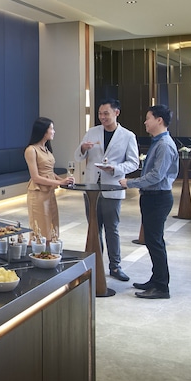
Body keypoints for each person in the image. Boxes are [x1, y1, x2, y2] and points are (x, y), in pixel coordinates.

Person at [74, 98, 140, 282]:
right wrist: (82, 148)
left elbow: (134, 162)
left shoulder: (128, 136)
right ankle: (94, 265)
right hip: (91, 188)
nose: (102, 117)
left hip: (112, 187)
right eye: (100, 114)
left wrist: (115, 169)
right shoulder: (92, 132)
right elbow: (78, 157)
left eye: (106, 113)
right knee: (94, 228)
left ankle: (115, 266)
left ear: (116, 113)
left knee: (112, 228)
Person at [119, 105, 179, 299]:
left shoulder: (164, 145)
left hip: (158, 198)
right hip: (152, 197)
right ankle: (156, 279)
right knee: (153, 242)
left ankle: (161, 287)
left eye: (148, 118)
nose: (145, 122)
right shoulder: (158, 142)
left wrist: (130, 183)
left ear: (159, 120)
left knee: (155, 242)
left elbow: (156, 176)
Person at [24, 117, 75, 244]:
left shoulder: (46, 149)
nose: (54, 131)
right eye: (51, 129)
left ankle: (49, 252)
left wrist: (64, 180)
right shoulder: (31, 150)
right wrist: (59, 183)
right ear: (43, 131)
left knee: (52, 225)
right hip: (38, 194)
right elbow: (35, 177)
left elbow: (49, 172)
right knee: (40, 229)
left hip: (49, 193)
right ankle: (37, 253)